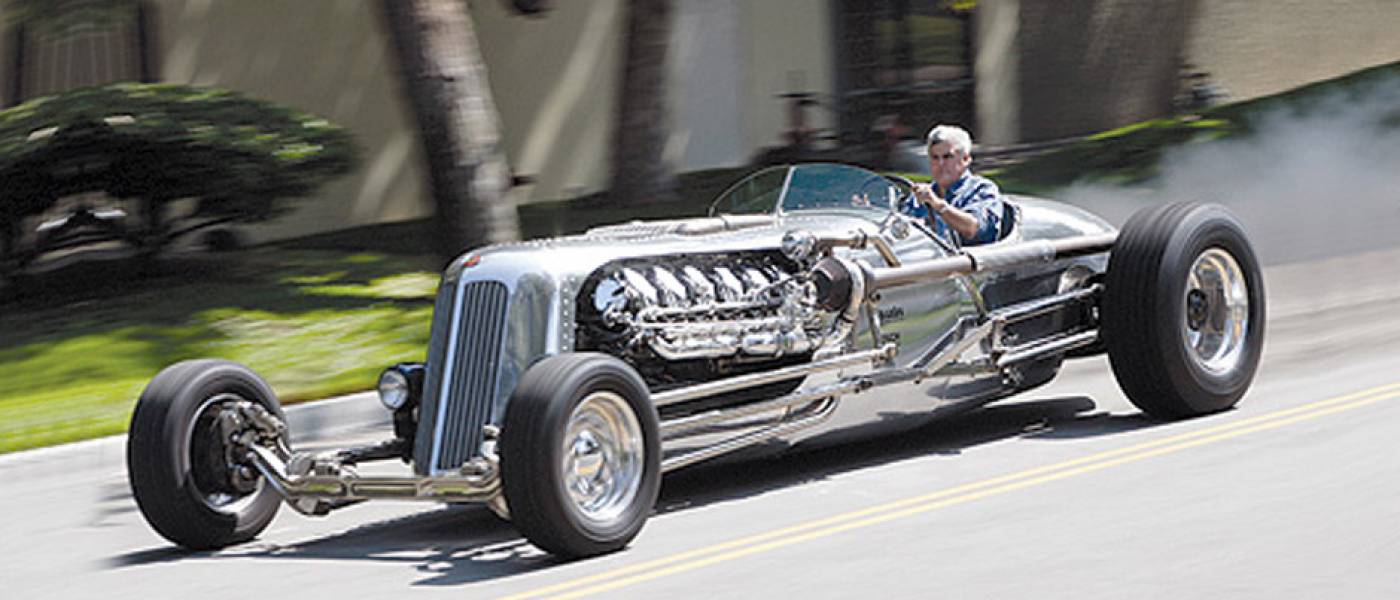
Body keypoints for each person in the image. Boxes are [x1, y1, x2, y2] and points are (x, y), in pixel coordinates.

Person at [901, 124, 1006, 245]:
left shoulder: (982, 189)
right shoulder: (920, 196)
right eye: (935, 158)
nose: (940, 164)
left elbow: (973, 228)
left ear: (965, 159)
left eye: (948, 157)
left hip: (969, 259)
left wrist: (938, 205)